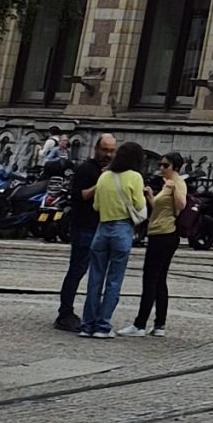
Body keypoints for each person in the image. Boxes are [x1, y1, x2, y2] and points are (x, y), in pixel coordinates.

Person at [79, 138, 148, 340]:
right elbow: (139, 204)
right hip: (122, 229)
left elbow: (96, 206)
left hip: (102, 229)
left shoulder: (104, 176)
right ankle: (103, 325)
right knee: (114, 280)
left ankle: (87, 325)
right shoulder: (135, 177)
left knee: (94, 279)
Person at [52, 132, 115, 332]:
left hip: (101, 226)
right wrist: (101, 183)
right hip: (84, 227)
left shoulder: (108, 170)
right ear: (96, 149)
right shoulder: (86, 169)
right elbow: (80, 196)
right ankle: (65, 313)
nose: (108, 154)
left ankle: (91, 313)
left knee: (95, 273)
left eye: (112, 151)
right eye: (105, 150)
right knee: (77, 270)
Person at [131, 151, 188, 335]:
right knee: (159, 279)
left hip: (164, 235)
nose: (161, 168)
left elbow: (181, 206)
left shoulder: (177, 183)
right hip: (158, 233)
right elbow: (160, 207)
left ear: (175, 167)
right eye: (160, 165)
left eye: (165, 165)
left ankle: (140, 325)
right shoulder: (166, 184)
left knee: (150, 279)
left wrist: (174, 188)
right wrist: (150, 196)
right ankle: (159, 325)